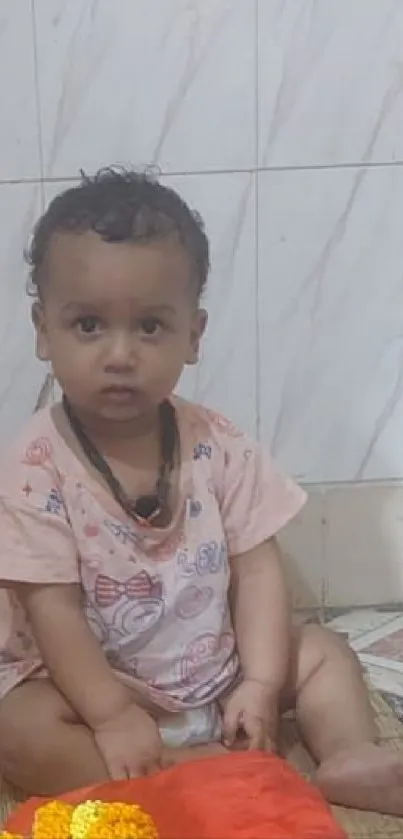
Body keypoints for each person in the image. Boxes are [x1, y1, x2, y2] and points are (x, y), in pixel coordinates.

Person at [0, 168, 401, 815]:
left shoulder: (217, 442)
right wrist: (109, 713)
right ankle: (192, 773)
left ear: (194, 333)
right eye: (89, 325)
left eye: (151, 327)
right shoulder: (34, 464)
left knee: (324, 651)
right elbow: (53, 609)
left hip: (215, 671)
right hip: (91, 685)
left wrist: (263, 679)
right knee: (16, 727)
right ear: (44, 331)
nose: (120, 353)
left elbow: (257, 565)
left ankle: (347, 755)